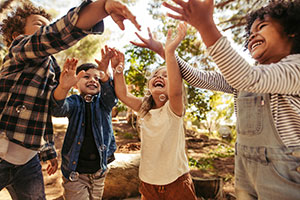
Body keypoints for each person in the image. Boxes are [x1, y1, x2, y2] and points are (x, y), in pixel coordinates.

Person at [133, 0, 300, 199]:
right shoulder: (246, 77)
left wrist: (206, 26)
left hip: (285, 176)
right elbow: (199, 77)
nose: (253, 34)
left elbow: (247, 77)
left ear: (291, 31)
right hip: (246, 173)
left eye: (262, 26)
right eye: (250, 32)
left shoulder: (295, 68)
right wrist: (166, 52)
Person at [0, 0, 140, 199]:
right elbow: (52, 36)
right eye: (40, 25)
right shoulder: (18, 51)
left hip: (28, 161)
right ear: (17, 35)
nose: (45, 28)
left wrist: (48, 151)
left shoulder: (53, 69)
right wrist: (100, 8)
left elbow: (43, 112)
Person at [111, 23, 197, 200]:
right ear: (149, 87)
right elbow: (123, 94)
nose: (159, 76)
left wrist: (170, 52)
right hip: (148, 182)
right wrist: (118, 70)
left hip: (176, 182)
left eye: (166, 75)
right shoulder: (145, 109)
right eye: (156, 74)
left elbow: (176, 89)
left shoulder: (174, 109)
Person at [50, 46, 117, 200]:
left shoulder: (103, 103)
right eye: (86, 77)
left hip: (99, 172)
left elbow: (111, 98)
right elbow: (58, 109)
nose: (93, 80)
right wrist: (63, 87)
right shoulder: (74, 102)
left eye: (96, 78)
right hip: (75, 173)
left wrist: (105, 75)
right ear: (75, 84)